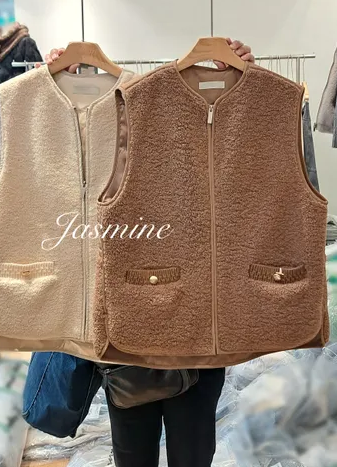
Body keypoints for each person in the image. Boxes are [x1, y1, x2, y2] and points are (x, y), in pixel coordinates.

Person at [40, 38, 254, 467]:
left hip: (196, 329)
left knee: (191, 449)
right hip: (129, 322)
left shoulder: (194, 117)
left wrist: (246, 92)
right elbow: (71, 181)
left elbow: (245, 178)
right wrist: (54, 91)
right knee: (135, 449)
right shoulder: (126, 104)